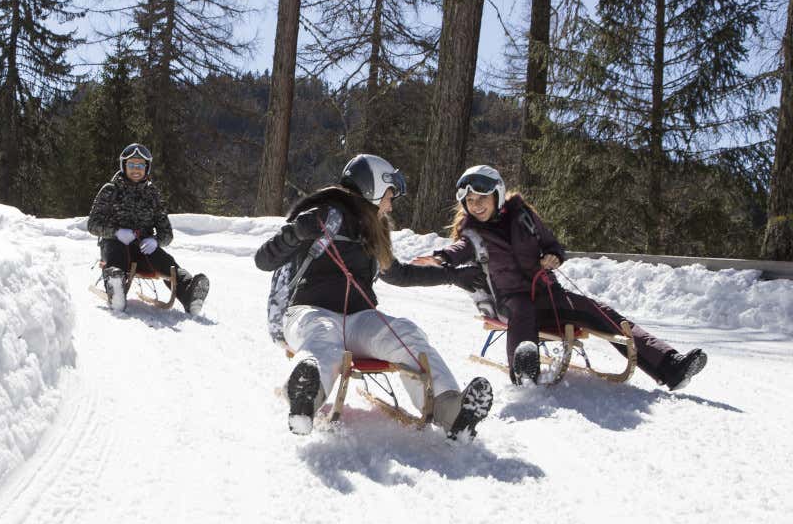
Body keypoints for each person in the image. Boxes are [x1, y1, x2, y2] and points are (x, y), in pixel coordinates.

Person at [254, 153, 494, 438]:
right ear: (373, 188)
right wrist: (295, 232)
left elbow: (401, 274)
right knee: (324, 337)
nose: (391, 204)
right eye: (389, 195)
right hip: (308, 312)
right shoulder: (323, 214)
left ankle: (451, 411)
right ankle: (305, 401)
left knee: (407, 333)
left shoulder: (373, 230)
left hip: (359, 320)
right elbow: (263, 260)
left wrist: (453, 276)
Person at [414, 164, 707, 390]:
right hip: (508, 300)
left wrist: (553, 256)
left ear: (498, 194)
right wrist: (441, 257)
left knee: (599, 312)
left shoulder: (523, 215)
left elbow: (551, 243)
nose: (476, 205)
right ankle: (524, 371)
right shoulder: (472, 233)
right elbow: (460, 249)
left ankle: (671, 365)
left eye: (481, 198)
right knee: (522, 309)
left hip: (547, 292)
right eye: (470, 201)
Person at [87, 143, 210, 315]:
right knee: (117, 255)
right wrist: (115, 232)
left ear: (147, 168)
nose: (136, 169)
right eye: (131, 165)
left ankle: (189, 291)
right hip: (115, 244)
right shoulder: (110, 190)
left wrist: (156, 241)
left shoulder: (153, 194)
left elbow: (167, 233)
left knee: (164, 260)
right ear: (124, 166)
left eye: (140, 165)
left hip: (142, 247)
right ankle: (116, 286)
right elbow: (92, 225)